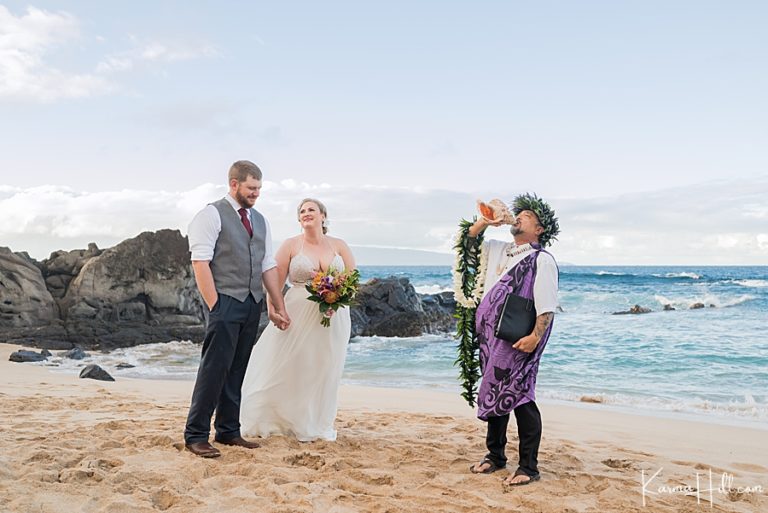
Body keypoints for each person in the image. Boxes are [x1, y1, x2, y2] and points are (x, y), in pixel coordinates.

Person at [183, 160, 290, 458]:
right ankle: (196, 434)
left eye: (259, 188)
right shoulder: (211, 214)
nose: (256, 193)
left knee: (238, 368)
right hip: (226, 301)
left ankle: (228, 430)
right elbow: (200, 261)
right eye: (251, 188)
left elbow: (267, 264)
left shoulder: (260, 220)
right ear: (234, 184)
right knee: (214, 369)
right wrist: (215, 304)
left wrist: (277, 305)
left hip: (252, 303)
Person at [240, 198, 355, 441]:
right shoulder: (291, 245)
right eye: (302, 211)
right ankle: (282, 417)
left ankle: (315, 421)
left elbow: (352, 281)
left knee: (324, 367)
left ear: (323, 216)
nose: (306, 214)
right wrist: (273, 309)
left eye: (311, 209)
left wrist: (340, 295)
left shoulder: (340, 245)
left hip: (334, 316)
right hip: (297, 312)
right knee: (294, 365)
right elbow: (275, 281)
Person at [467, 193, 560, 486]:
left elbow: (546, 305)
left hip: (519, 338)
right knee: (495, 389)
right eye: (518, 214)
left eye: (527, 216)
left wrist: (535, 336)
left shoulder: (541, 259)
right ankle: (495, 457)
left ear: (539, 229)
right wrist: (487, 220)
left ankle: (529, 467)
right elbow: (469, 243)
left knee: (520, 396)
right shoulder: (500, 249)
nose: (519, 217)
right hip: (491, 338)